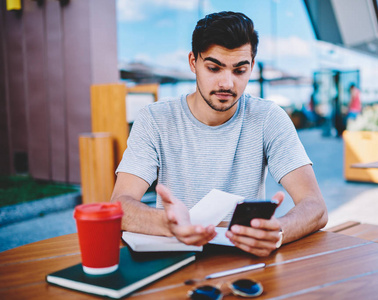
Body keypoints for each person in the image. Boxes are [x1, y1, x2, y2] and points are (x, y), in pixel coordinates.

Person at [111, 11, 327, 257]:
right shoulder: (156, 119)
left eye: (239, 71)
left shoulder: (268, 117)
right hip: (174, 259)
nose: (227, 83)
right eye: (214, 68)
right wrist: (167, 224)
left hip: (246, 260)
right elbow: (120, 205)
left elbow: (315, 206)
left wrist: (279, 231)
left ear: (252, 67)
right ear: (193, 62)